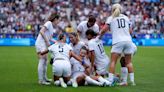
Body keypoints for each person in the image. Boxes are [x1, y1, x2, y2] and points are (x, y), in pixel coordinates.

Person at [99, 3, 136, 86]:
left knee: (113, 62)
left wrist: (99, 35)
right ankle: (132, 82)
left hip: (118, 41)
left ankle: (110, 80)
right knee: (129, 62)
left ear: (112, 10)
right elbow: (130, 31)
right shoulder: (126, 17)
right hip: (128, 41)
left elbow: (104, 29)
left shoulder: (111, 18)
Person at [35, 13, 60, 85]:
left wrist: (57, 42)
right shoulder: (49, 23)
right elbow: (41, 31)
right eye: (58, 20)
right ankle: (41, 80)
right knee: (42, 60)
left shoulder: (52, 27)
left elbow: (51, 38)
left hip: (44, 43)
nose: (59, 22)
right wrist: (47, 41)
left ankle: (44, 78)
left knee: (45, 61)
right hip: (41, 43)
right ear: (55, 19)